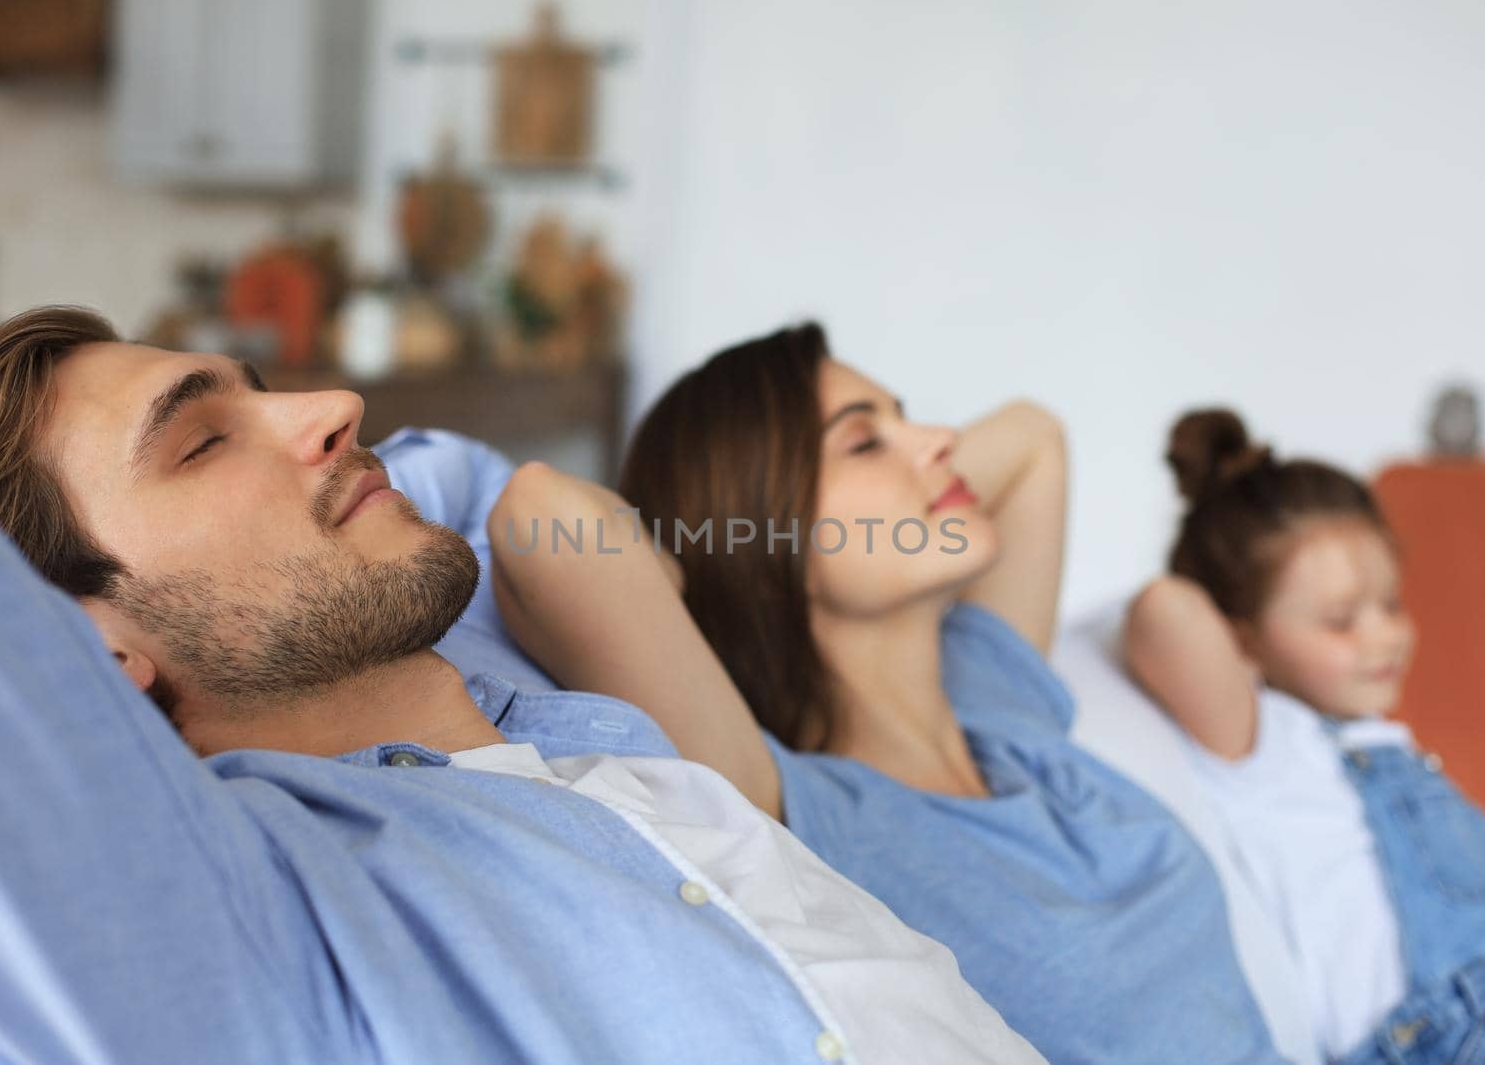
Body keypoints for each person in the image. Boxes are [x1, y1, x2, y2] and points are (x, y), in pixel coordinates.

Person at [0, 306, 1045, 1065]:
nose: (333, 402)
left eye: (260, 388)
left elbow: (482, 482)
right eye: (201, 443)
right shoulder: (247, 916)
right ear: (85, 660)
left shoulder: (501, 646)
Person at [490, 322, 1290, 1064]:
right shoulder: (793, 805)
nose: (940, 439)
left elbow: (1035, 434)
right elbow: (538, 515)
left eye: (905, 419)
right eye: (866, 441)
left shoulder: (994, 697)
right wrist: (733, 541)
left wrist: (873, 491)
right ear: (766, 524)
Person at [1122, 409, 1485, 1065]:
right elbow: (1160, 612)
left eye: (1391, 604)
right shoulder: (1263, 747)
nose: (1386, 635)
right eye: (1341, 620)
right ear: (1243, 638)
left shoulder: (1376, 742)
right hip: (1459, 1037)